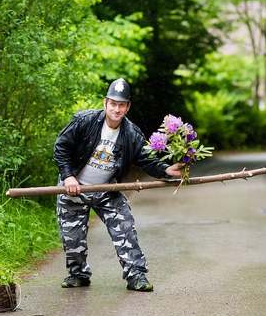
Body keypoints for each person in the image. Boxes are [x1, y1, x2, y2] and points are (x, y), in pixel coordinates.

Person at [53, 78, 183, 292]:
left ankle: (136, 276)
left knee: (125, 228)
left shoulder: (132, 134)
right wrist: (68, 176)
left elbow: (146, 160)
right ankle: (78, 274)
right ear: (105, 103)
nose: (117, 108)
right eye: (113, 103)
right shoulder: (84, 121)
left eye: (121, 105)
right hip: (73, 188)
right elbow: (61, 148)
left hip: (107, 190)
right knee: (72, 239)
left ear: (127, 107)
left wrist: (166, 171)